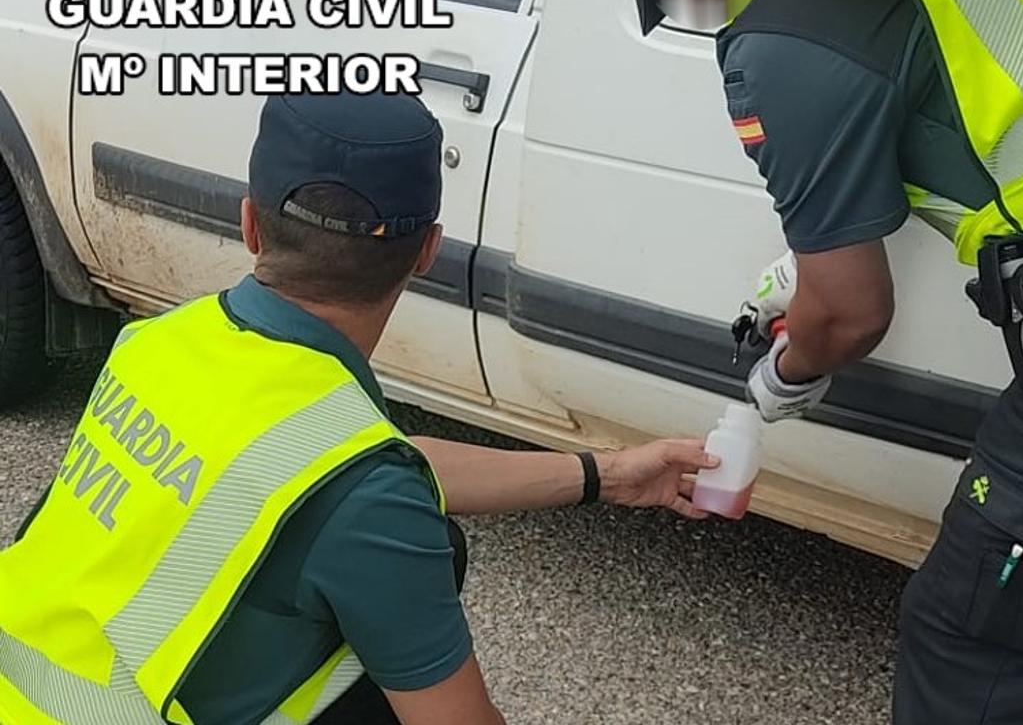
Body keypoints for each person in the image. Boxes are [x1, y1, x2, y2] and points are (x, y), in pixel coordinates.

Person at [558, 0, 1023, 722]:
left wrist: (781, 379)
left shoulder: (788, 21)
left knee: (973, 647)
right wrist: (809, 265)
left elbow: (850, 314)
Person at [0, 90, 718, 725]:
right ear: (427, 252)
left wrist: (610, 474)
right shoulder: (366, 500)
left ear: (251, 224)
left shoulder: (155, 344)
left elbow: (367, 467)